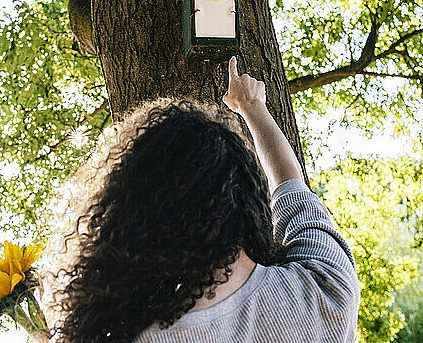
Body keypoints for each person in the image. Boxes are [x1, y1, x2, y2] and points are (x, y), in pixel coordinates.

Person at [52, 57, 360, 343]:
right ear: (247, 198)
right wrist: (253, 107)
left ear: (137, 215)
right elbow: (290, 185)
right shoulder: (327, 290)